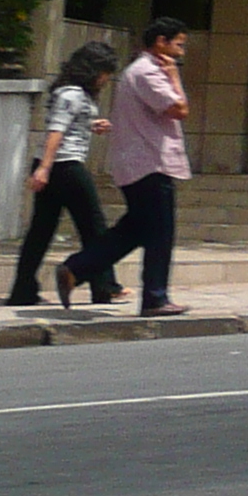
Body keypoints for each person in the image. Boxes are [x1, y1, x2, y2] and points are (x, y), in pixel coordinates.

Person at [58, 16, 195, 317]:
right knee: (160, 233)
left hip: (140, 163)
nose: (182, 52)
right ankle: (155, 298)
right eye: (179, 45)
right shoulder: (149, 73)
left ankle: (75, 269)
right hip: (149, 164)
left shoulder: (140, 71)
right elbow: (179, 109)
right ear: (161, 42)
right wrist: (174, 77)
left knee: (134, 229)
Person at [7, 39, 124, 307]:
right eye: (105, 72)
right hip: (65, 166)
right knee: (94, 227)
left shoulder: (70, 93)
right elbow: (56, 131)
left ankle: (22, 290)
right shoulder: (72, 94)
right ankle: (104, 286)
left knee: (41, 231)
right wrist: (44, 168)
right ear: (92, 70)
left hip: (56, 165)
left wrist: (91, 124)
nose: (106, 79)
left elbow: (68, 125)